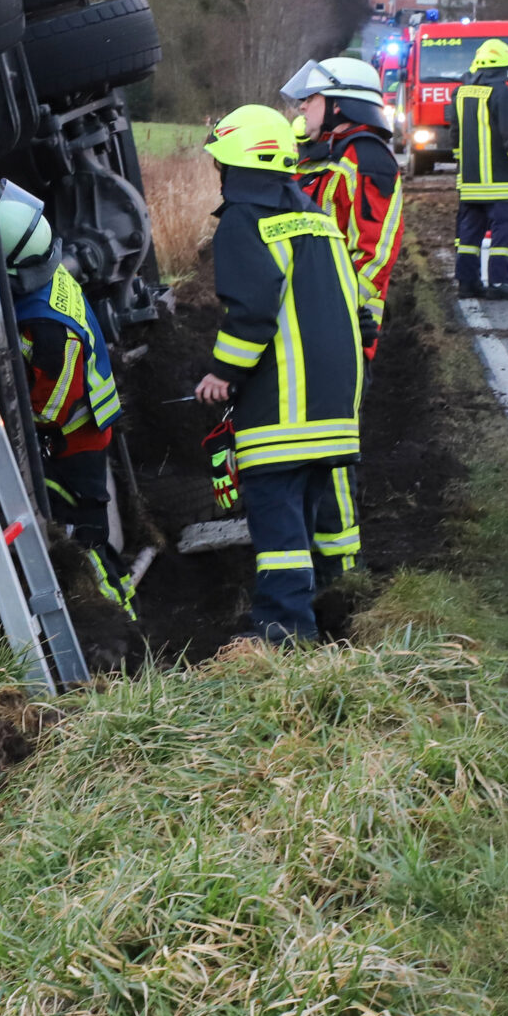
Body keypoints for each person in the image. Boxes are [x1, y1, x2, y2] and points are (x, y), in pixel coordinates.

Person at [190, 106, 365, 643]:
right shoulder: (316, 216)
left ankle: (283, 633)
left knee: (278, 524)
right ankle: (311, 610)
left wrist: (222, 374)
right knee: (304, 519)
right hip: (333, 408)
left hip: (282, 413)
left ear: (234, 165)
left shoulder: (244, 220)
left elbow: (252, 310)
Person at [0, 182, 134, 616]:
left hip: (74, 439)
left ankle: (117, 621)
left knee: (82, 536)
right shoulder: (47, 271)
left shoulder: (51, 329)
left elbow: (51, 407)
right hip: (79, 430)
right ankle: (123, 598)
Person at [283, 56, 406, 356]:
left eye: (312, 98)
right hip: (310, 317)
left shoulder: (366, 157)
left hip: (345, 328)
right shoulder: (324, 154)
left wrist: (338, 306)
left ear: (338, 105)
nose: (302, 107)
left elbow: (375, 253)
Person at [449, 37, 508, 301]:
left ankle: (467, 283)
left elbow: (455, 136)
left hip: (470, 182)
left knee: (468, 234)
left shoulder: (460, 93)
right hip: (500, 183)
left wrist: (464, 165)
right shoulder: (502, 93)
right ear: (504, 68)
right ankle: (499, 282)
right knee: (502, 232)